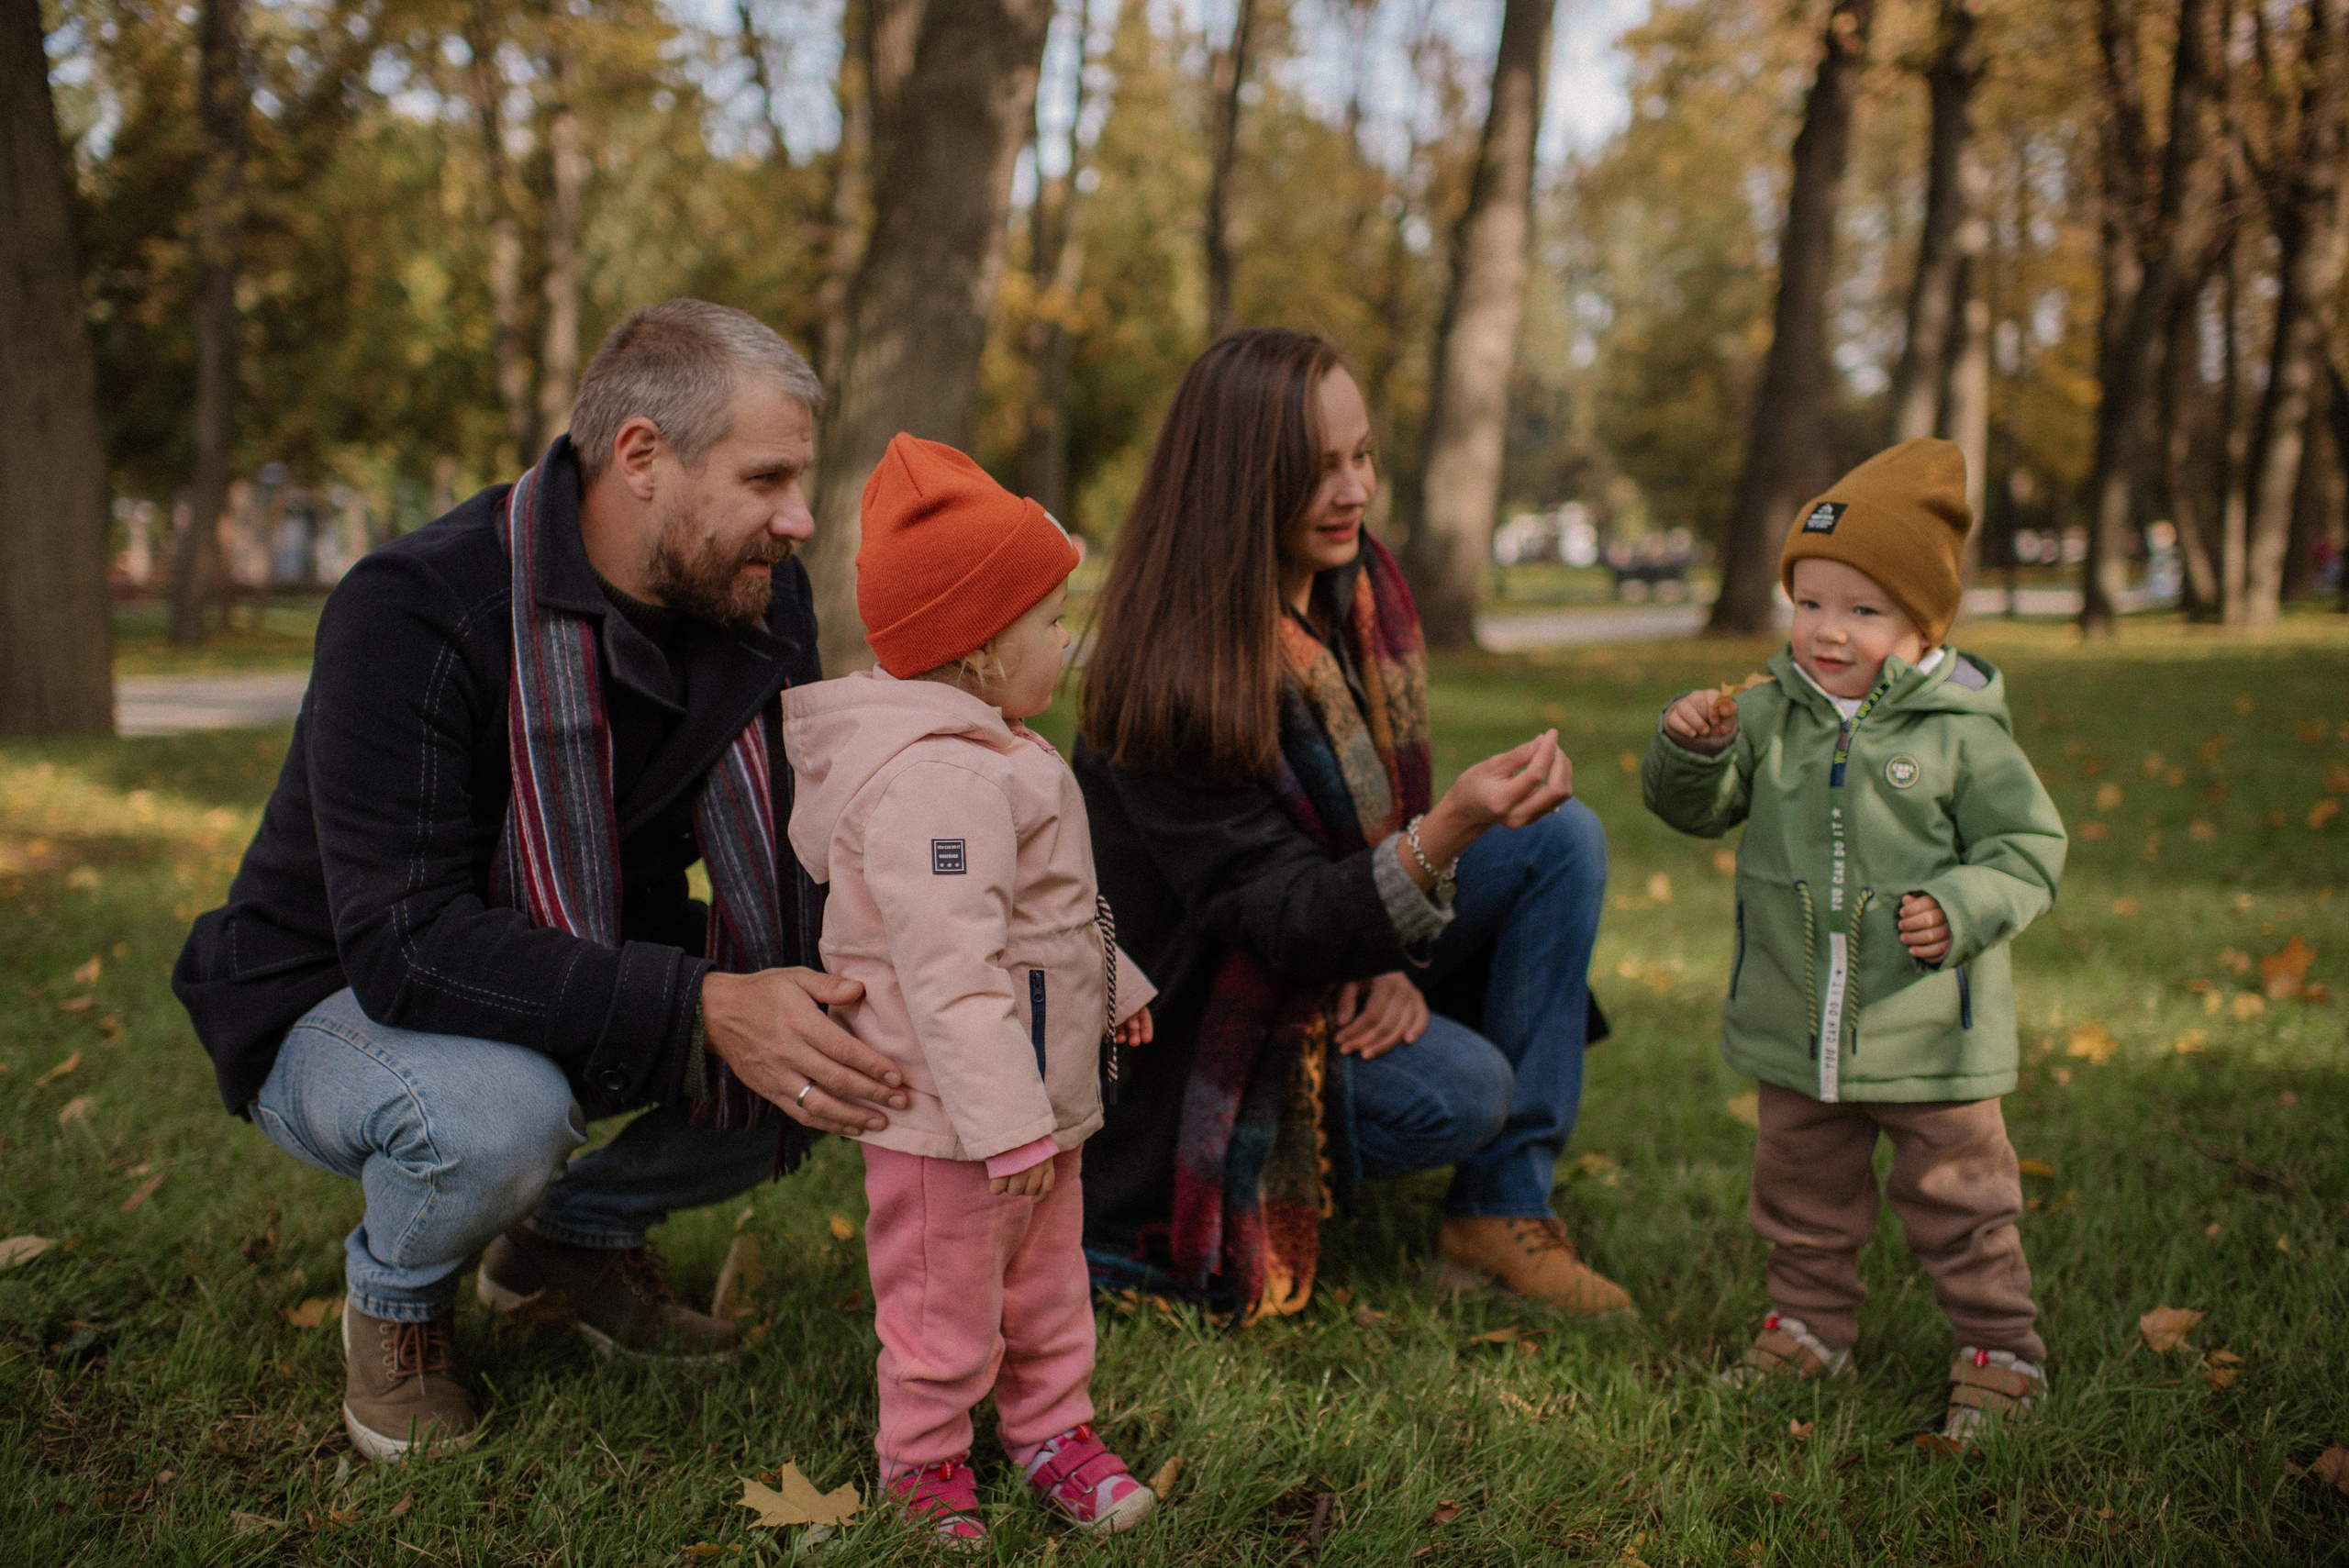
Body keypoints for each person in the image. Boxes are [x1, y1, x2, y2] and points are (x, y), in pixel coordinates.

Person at [172, 301, 916, 1463]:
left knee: (855, 1035)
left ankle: (572, 1235)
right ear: (640, 458)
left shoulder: (758, 594)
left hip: (576, 954)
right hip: (328, 993)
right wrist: (700, 1005)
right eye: (767, 477)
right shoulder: (415, 606)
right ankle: (400, 1303)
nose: (800, 517)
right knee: (496, 1111)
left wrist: (891, 969)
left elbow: (801, 847)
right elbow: (404, 945)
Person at [1074, 328, 1628, 1322]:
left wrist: (1391, 942)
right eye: (1316, 467)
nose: (1354, 488)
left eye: (1360, 454)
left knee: (1560, 837)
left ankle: (1501, 1210)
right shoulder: (1168, 676)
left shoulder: (1357, 591)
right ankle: (1314, 1159)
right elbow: (1276, 909)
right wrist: (1437, 840)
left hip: (1328, 938)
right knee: (1462, 1086)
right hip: (1211, 1028)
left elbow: (1351, 841)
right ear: (1239, 478)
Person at [1642, 438, 2067, 1442]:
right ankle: (1808, 1327)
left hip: (1929, 1037)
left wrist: (1959, 907)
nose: (1828, 630)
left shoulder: (1963, 731)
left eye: (1863, 609)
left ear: (1919, 624)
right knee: (1801, 1196)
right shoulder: (1767, 714)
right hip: (1796, 1025)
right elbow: (1695, 811)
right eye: (1811, 601)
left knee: (1960, 1202)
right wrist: (1690, 751)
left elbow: (2028, 851)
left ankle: (2000, 1349)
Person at [782, 435, 1157, 1541]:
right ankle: (924, 1463)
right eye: (1051, 622)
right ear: (984, 648)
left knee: (1046, 1291)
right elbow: (952, 976)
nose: (1067, 643)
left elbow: (1043, 918)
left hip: (1029, 1106)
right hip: (956, 1124)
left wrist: (1112, 982)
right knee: (945, 1306)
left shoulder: (999, 749)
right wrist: (1008, 1128)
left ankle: (1050, 1427)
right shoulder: (938, 786)